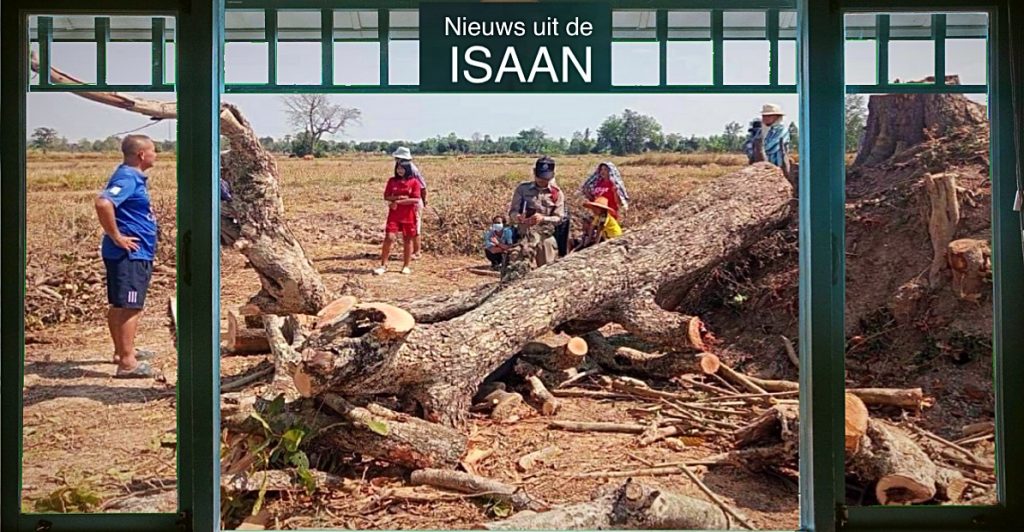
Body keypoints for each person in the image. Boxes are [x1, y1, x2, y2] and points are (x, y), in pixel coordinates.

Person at [94, 134, 161, 378]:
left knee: (120, 303)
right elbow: (103, 203)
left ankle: (121, 351)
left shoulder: (131, 177)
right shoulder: (128, 177)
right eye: (153, 150)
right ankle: (127, 363)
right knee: (131, 306)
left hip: (128, 253)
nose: (156, 154)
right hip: (129, 254)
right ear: (142, 155)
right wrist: (117, 236)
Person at [507, 156, 566, 269]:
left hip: (545, 236)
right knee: (516, 268)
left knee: (547, 271)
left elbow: (559, 218)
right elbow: (512, 212)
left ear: (552, 175)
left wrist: (543, 218)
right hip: (524, 236)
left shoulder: (556, 194)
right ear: (534, 172)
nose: (542, 181)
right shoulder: (522, 189)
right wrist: (518, 217)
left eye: (545, 178)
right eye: (540, 177)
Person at [374, 160, 422, 275]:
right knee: (389, 237)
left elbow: (416, 199)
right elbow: (386, 196)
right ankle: (383, 265)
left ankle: (406, 265)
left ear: (408, 169)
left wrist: (399, 202)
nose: (400, 171)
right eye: (398, 168)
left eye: (402, 168)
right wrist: (396, 197)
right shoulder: (392, 181)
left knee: (407, 240)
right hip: (394, 214)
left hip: (408, 215)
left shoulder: (414, 182)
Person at [578, 161, 629, 240]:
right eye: (601, 169)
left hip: (609, 213)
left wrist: (615, 192)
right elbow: (593, 199)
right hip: (598, 212)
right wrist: (586, 192)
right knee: (586, 221)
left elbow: (618, 202)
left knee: (601, 229)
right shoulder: (598, 183)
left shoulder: (613, 185)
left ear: (610, 171)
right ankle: (587, 239)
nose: (603, 172)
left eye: (605, 170)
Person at [392, 147, 427, 260]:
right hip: (407, 202)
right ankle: (411, 251)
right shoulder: (405, 169)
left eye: (397, 158)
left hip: (414, 202)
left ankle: (417, 252)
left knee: (415, 226)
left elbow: (422, 187)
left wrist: (423, 200)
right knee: (409, 226)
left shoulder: (411, 170)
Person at [745, 103, 791, 176]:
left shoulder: (782, 130)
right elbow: (748, 147)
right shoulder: (760, 131)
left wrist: (758, 148)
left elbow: (771, 147)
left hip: (778, 166)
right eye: (764, 116)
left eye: (769, 116)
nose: (765, 118)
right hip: (759, 167)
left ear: (777, 117)